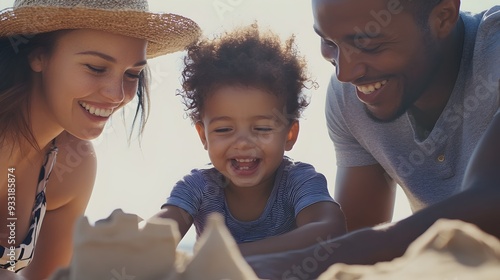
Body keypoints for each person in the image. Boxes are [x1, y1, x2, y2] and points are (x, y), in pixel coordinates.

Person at [246, 0, 499, 278]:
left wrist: (296, 264)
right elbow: (352, 241)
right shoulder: (352, 99)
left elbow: (490, 205)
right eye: (329, 42)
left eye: (368, 44)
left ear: (443, 16)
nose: (345, 73)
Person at [0, 0, 200, 279]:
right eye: (95, 67)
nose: (117, 94)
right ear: (37, 56)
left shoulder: (72, 166)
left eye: (132, 74)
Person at [153, 25, 347, 256]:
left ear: (290, 135)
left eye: (262, 128)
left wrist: (232, 254)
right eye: (224, 129)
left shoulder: (298, 182)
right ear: (203, 135)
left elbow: (330, 230)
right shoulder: (197, 188)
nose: (243, 143)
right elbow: (155, 235)